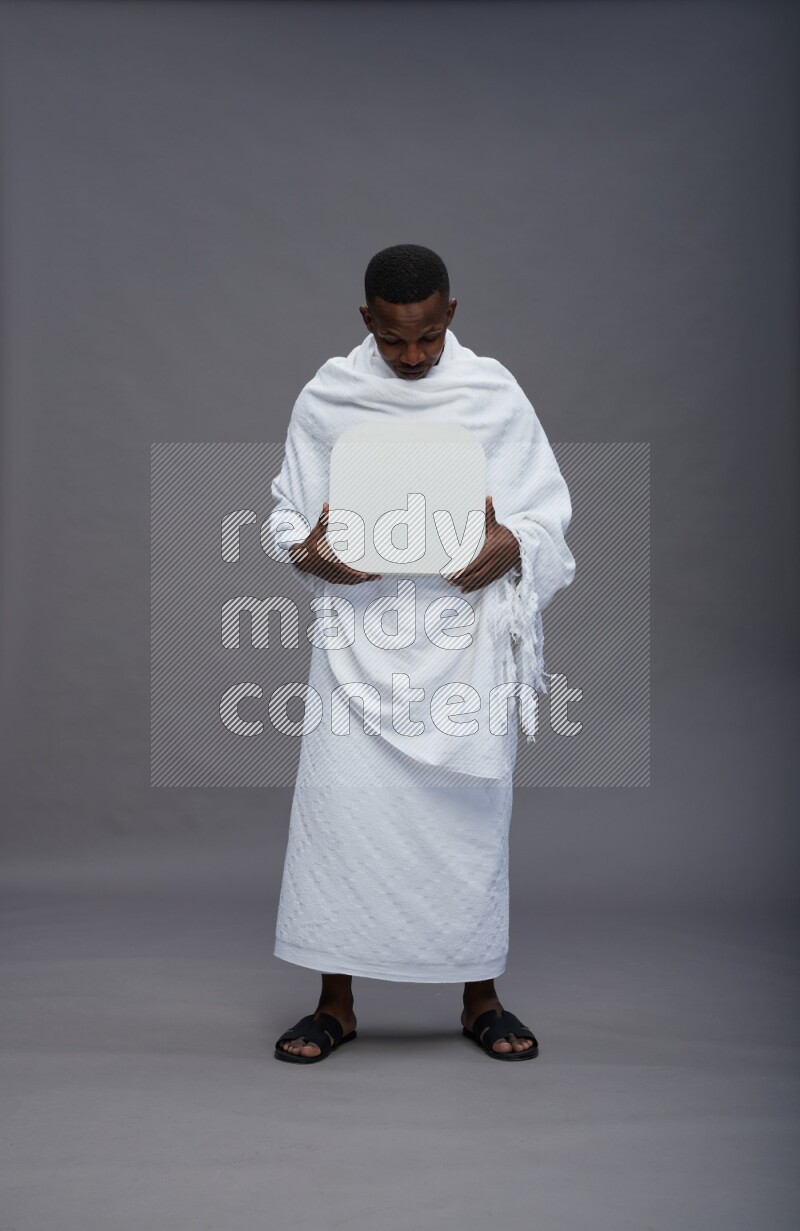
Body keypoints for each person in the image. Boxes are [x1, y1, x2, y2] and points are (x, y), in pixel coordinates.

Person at [267, 244, 575, 1063]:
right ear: (367, 320)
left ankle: (481, 997)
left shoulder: (491, 392)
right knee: (344, 819)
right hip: (356, 647)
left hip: (463, 649)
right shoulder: (329, 394)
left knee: (468, 821)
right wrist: (311, 553)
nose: (413, 356)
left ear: (451, 316)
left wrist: (514, 543)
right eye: (397, 339)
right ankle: (335, 1003)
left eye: (429, 337)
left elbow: (547, 512)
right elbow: (286, 516)